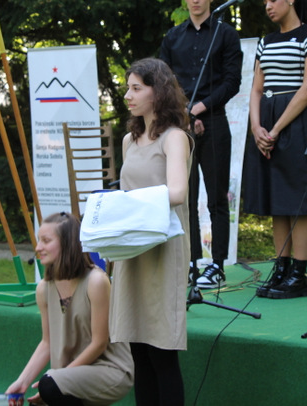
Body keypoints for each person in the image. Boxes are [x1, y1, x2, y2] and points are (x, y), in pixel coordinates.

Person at [242, 0, 307, 300]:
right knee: (277, 202)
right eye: (265, 2)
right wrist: (257, 127)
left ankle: (299, 275)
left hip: (297, 123)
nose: (268, 6)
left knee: (298, 201)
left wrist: (276, 128)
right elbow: (256, 88)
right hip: (266, 120)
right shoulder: (266, 41)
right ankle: (281, 269)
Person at [109, 57, 193, 405]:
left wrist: (128, 203)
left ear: (158, 92)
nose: (127, 95)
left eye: (136, 88)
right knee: (139, 352)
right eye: (127, 88)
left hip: (163, 249)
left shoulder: (175, 138)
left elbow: (178, 192)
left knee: (161, 353)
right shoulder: (129, 140)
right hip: (131, 250)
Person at [159, 0, 243, 290]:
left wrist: (201, 107)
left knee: (217, 197)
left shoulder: (225, 34)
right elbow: (165, 81)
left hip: (214, 122)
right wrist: (184, 112)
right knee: (186, 197)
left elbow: (231, 82)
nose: (195, 0)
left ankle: (217, 264)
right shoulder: (173, 37)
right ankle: (191, 263)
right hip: (180, 125)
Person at [6, 212, 133, 406]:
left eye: (46, 241)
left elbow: (99, 344)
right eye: (39, 241)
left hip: (110, 370)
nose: (38, 248)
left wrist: (58, 379)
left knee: (49, 387)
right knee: (44, 394)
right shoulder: (43, 289)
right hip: (69, 374)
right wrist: (22, 382)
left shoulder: (96, 281)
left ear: (67, 243)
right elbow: (47, 343)